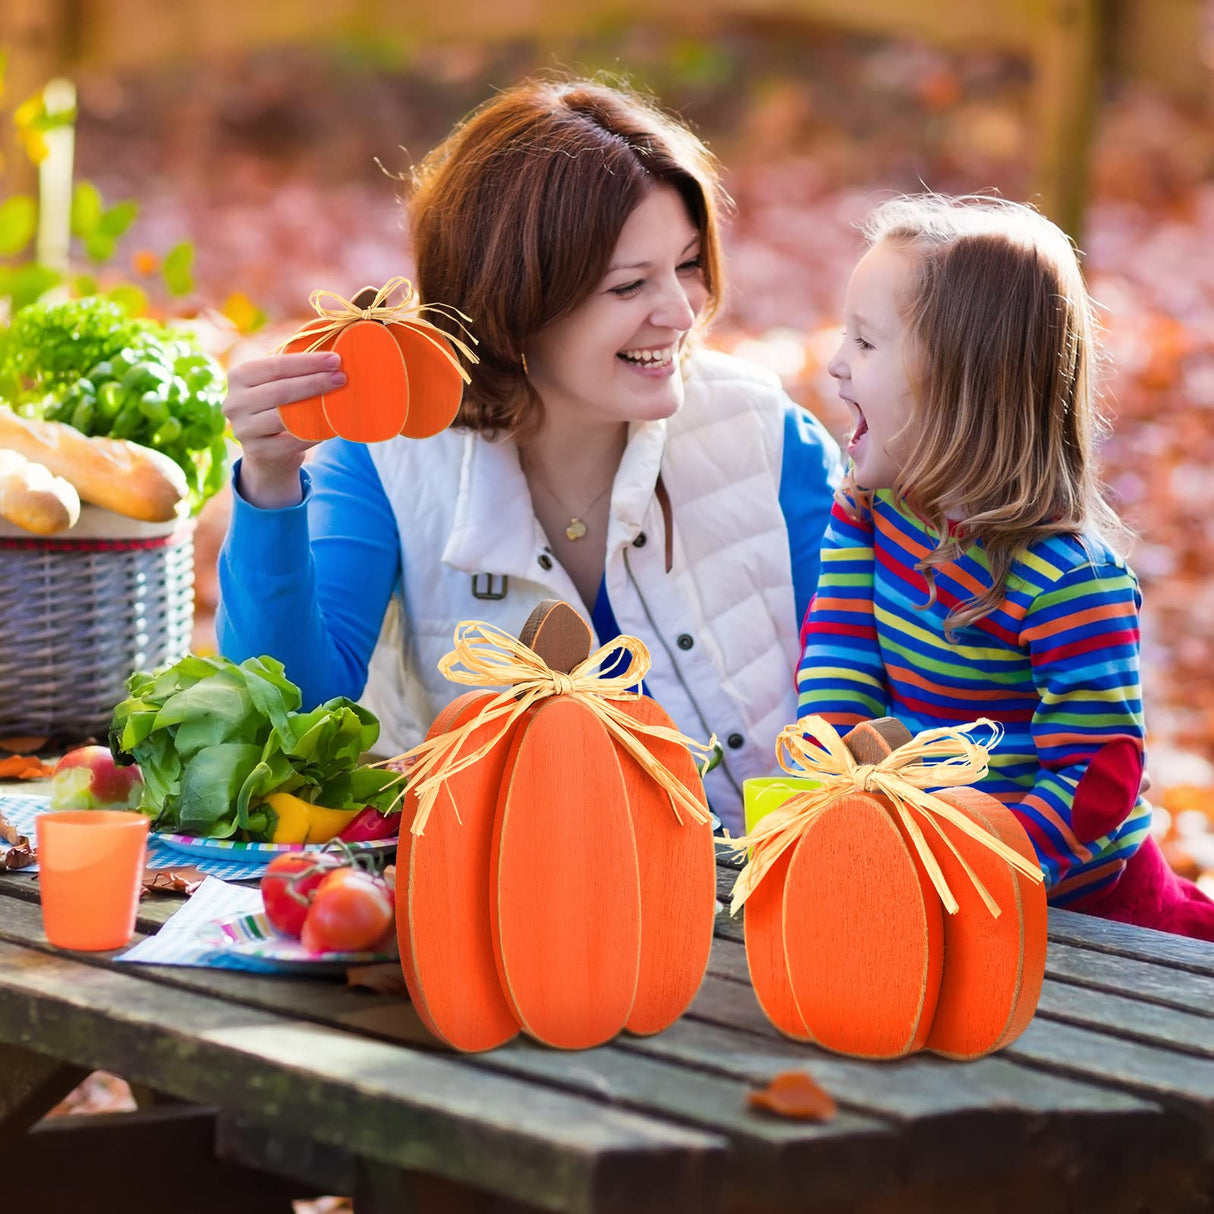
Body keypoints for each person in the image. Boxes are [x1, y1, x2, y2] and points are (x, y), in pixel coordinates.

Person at [217, 77, 842, 833]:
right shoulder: (385, 462)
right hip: (509, 902)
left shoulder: (771, 440)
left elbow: (861, 692)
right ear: (516, 302)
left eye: (685, 264)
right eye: (628, 285)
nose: (680, 311)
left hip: (757, 895)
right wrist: (272, 484)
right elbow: (290, 714)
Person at [796, 193, 1214, 940]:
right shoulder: (872, 510)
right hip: (935, 863)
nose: (834, 363)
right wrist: (843, 789)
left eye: (865, 342)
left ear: (961, 380)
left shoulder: (1067, 582)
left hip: (1082, 901)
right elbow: (840, 657)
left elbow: (1097, 778)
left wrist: (987, 866)